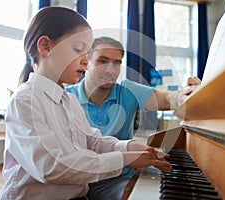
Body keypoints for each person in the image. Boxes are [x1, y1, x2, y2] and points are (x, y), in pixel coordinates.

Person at [0, 7, 172, 200]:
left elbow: (92, 141)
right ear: (46, 46)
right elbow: (50, 166)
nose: (85, 61)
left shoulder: (69, 100)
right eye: (78, 49)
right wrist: (125, 159)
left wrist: (130, 147)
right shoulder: (25, 101)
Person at [65, 37, 201, 177]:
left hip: (119, 180)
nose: (110, 70)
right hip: (79, 179)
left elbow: (166, 99)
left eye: (117, 63)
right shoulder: (66, 98)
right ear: (86, 63)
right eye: (102, 61)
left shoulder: (128, 90)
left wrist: (185, 95)